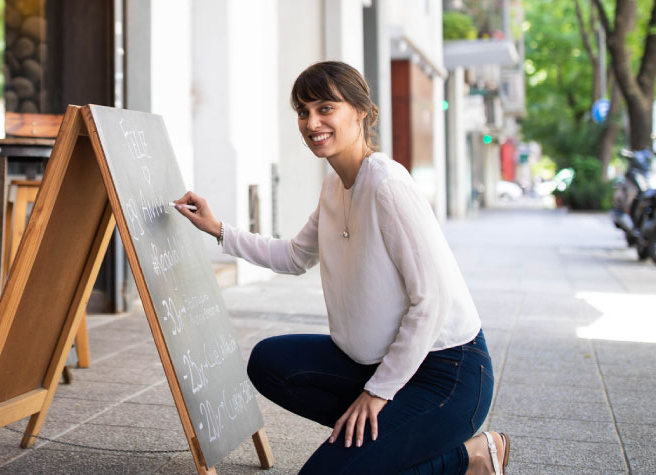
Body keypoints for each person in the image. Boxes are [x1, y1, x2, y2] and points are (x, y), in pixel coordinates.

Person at [173, 61, 510, 475]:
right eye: (303, 111)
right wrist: (218, 229)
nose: (312, 122)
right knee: (267, 362)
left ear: (361, 111)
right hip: (373, 363)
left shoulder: (387, 186)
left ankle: (467, 457)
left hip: (446, 374)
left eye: (325, 108)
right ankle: (387, 444)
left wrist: (378, 393)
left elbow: (432, 301)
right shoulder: (335, 183)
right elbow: (295, 256)